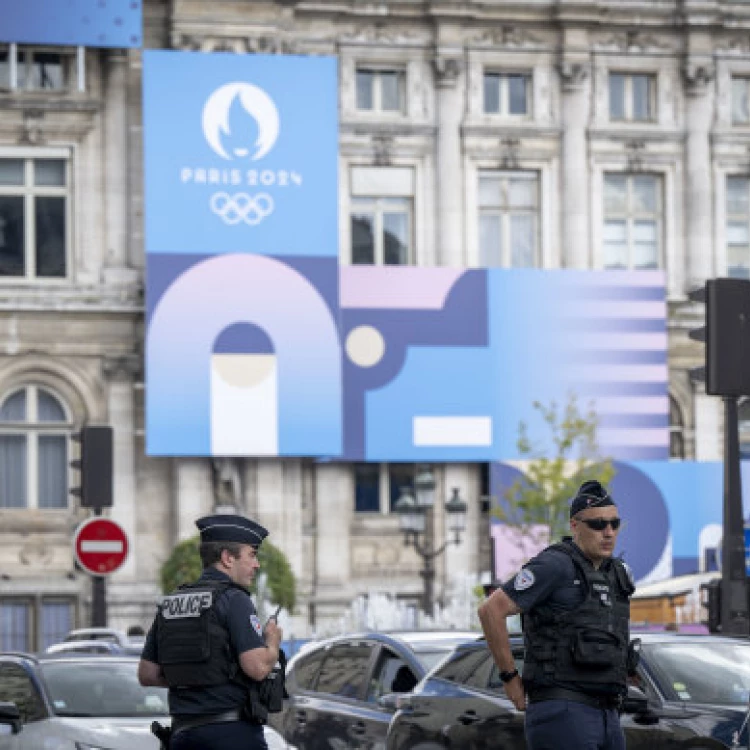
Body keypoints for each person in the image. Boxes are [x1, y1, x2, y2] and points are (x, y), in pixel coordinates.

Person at [478, 480, 637, 750]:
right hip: (563, 708)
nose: (608, 532)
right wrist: (509, 678)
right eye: (598, 524)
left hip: (608, 711)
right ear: (575, 526)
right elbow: (491, 610)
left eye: (614, 524)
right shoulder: (555, 565)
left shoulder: (617, 573)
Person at [138, 514, 282, 750]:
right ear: (227, 558)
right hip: (231, 734)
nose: (256, 564)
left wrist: (196, 676)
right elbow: (257, 668)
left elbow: (148, 674)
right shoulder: (234, 599)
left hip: (183, 734)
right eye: (252, 555)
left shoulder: (172, 602)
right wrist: (273, 643)